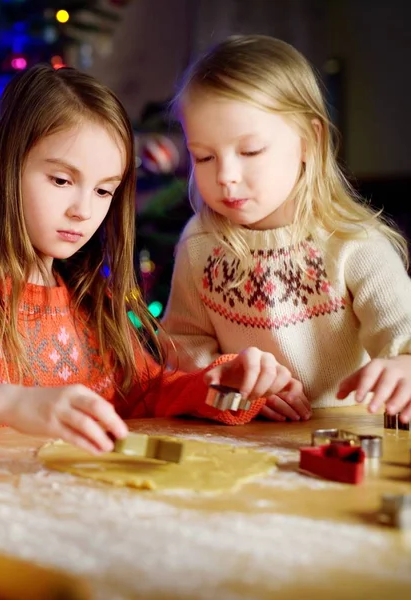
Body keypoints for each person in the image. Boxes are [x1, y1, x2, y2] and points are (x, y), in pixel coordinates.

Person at [0, 64, 293, 464]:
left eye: (103, 191)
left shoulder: (90, 298)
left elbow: (149, 395)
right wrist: (8, 404)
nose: (84, 209)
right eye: (61, 180)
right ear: (7, 168)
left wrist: (226, 382)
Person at [160, 34, 411, 424]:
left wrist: (404, 367)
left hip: (347, 437)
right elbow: (183, 348)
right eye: (204, 157)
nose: (225, 176)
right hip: (246, 443)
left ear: (310, 141)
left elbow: (402, 331)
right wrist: (239, 385)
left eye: (250, 151)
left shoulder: (353, 243)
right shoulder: (200, 244)